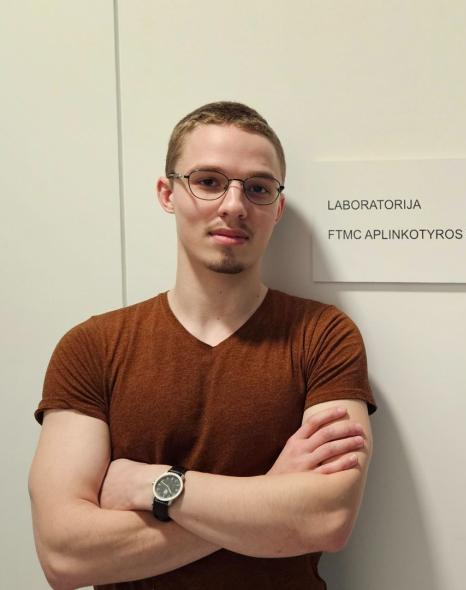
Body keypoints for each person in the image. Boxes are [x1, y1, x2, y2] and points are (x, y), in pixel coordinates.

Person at [28, 101, 376, 590]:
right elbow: (65, 556)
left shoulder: (323, 336)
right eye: (208, 181)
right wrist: (270, 497)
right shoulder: (92, 347)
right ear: (167, 193)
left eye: (258, 188)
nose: (234, 205)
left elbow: (326, 519)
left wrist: (153, 486)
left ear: (276, 208)